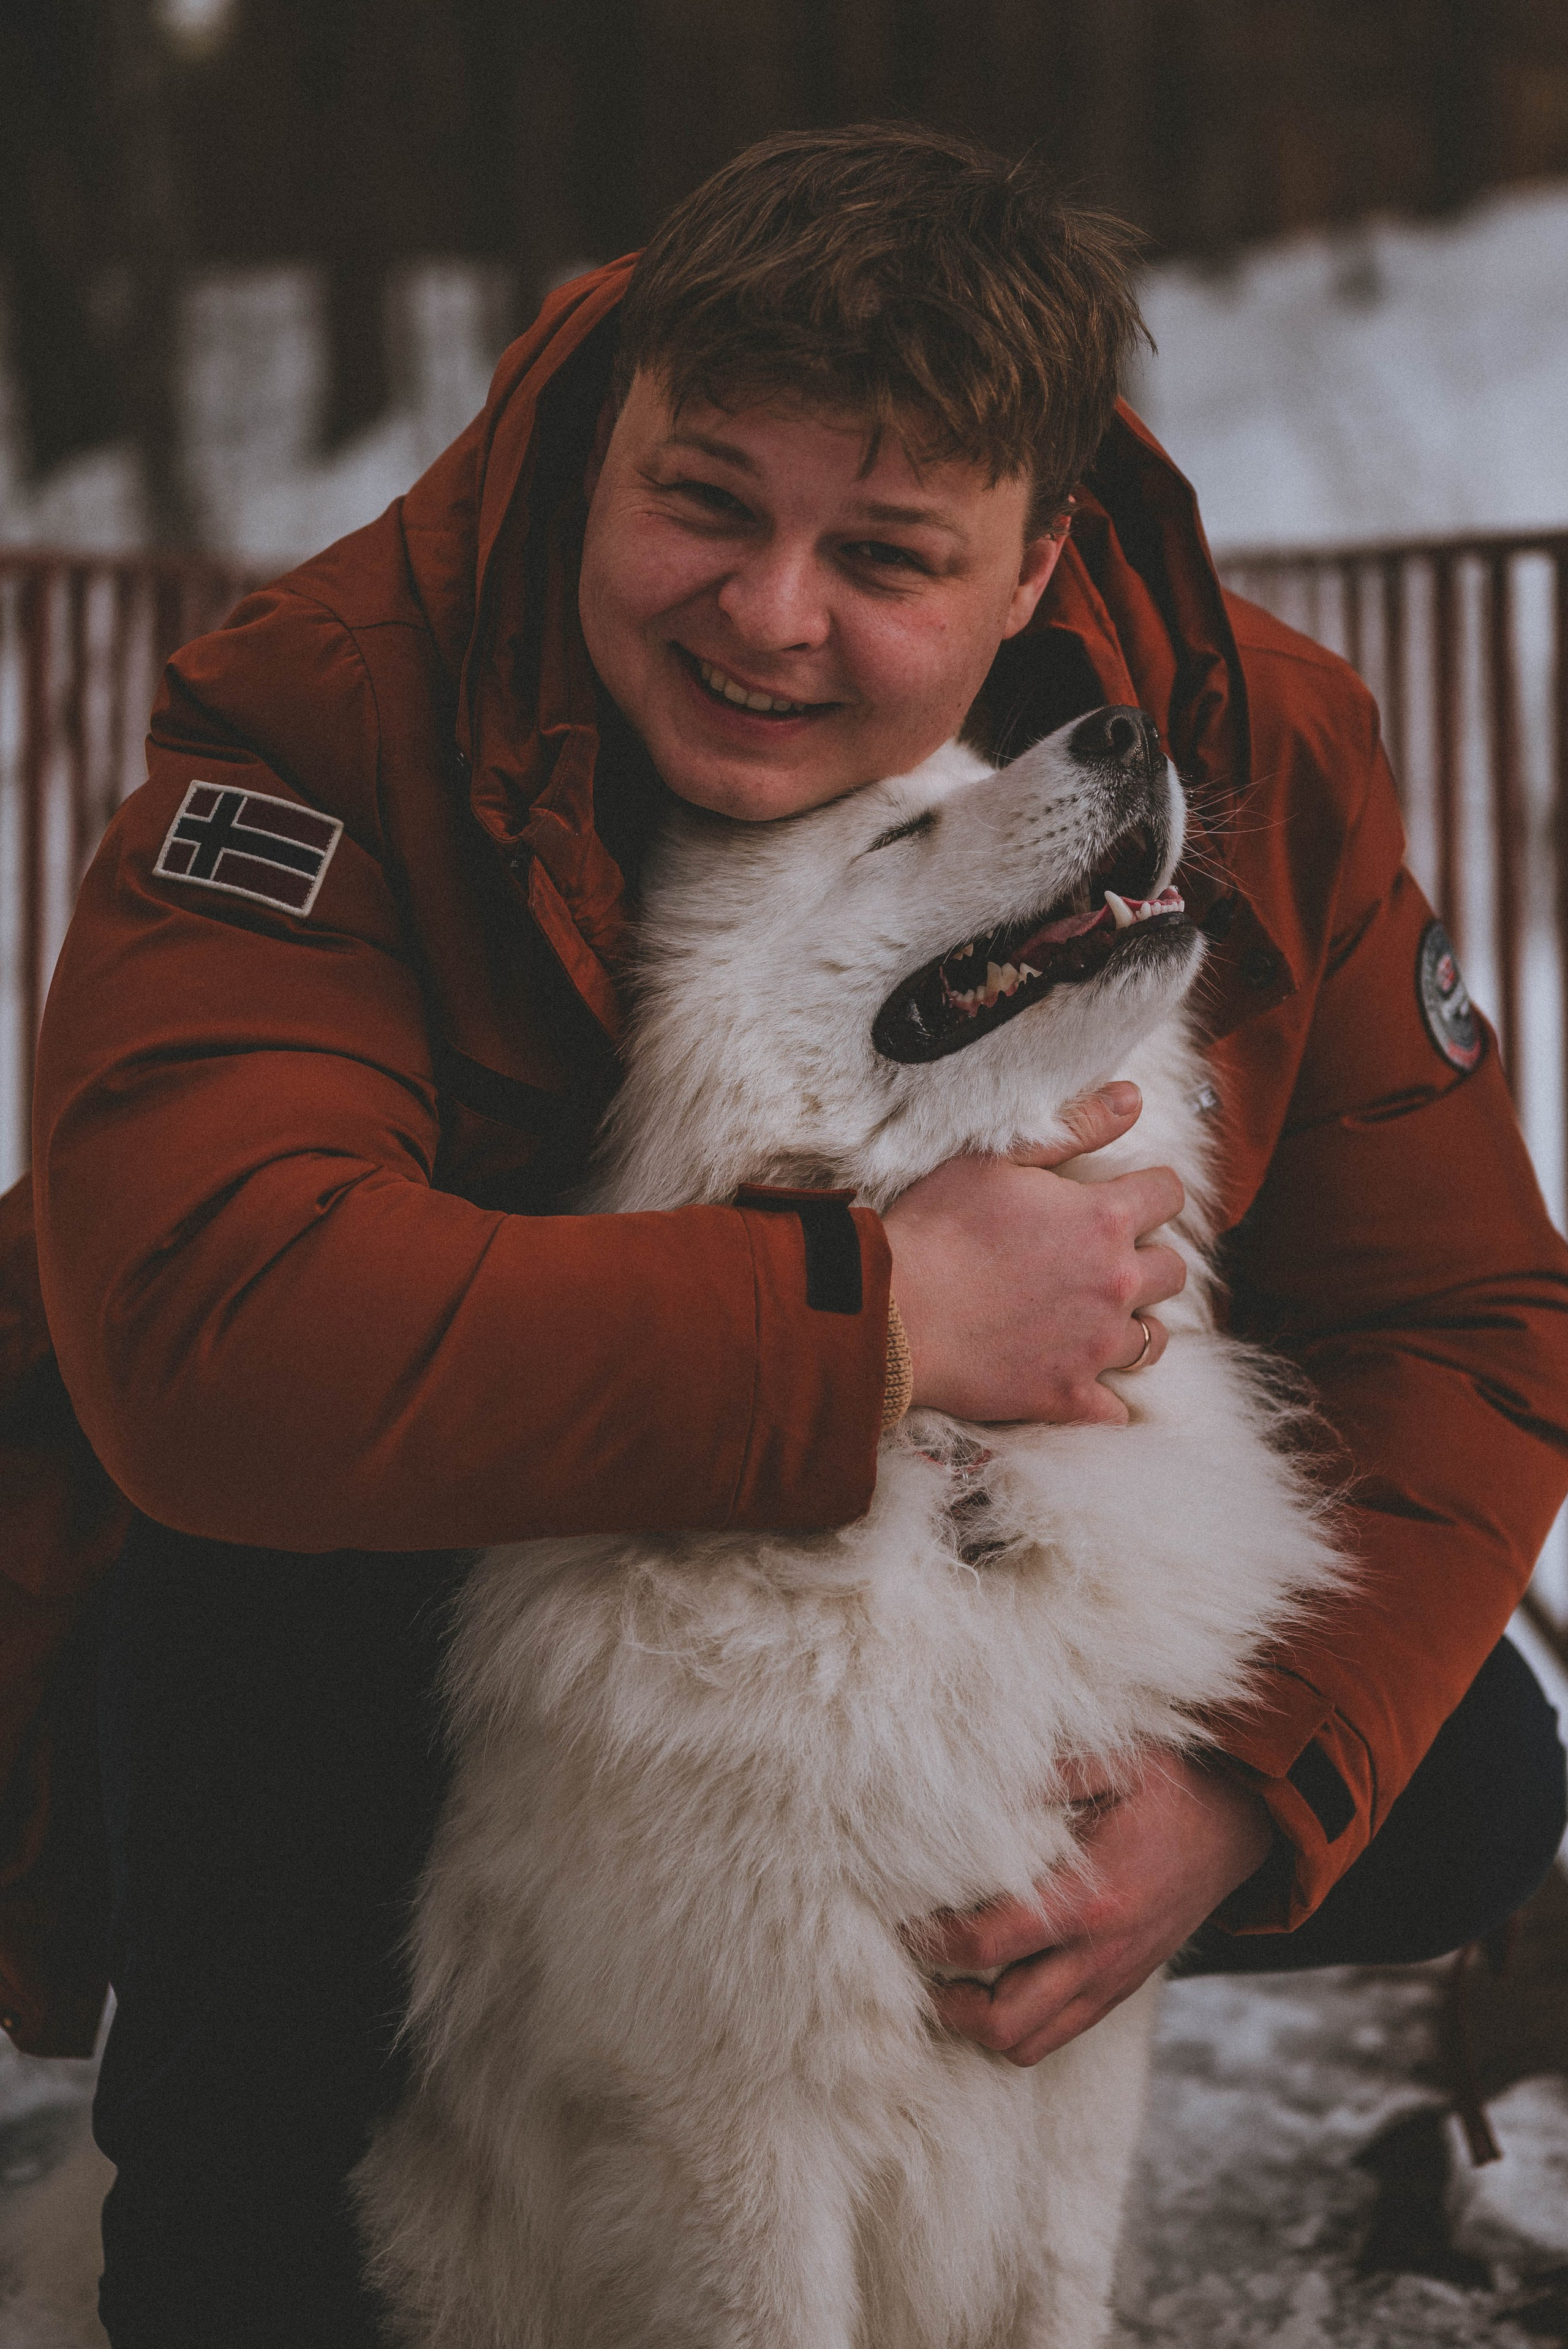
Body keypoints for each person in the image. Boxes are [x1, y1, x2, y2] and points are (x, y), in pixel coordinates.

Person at [13, 123, 1568, 2345]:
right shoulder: (338, 701)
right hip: (310, 1570)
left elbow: (1469, 1310)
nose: (766, 615)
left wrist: (1240, 1780)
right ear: (607, 450)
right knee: (272, 1608)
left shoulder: (1258, 741)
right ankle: (233, 2241)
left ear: (1033, 574)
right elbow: (214, 1325)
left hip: (899, 1567)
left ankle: (883, 2066)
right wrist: (889, 1312)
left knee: (1453, 1768)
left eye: (887, 555)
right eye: (705, 503)